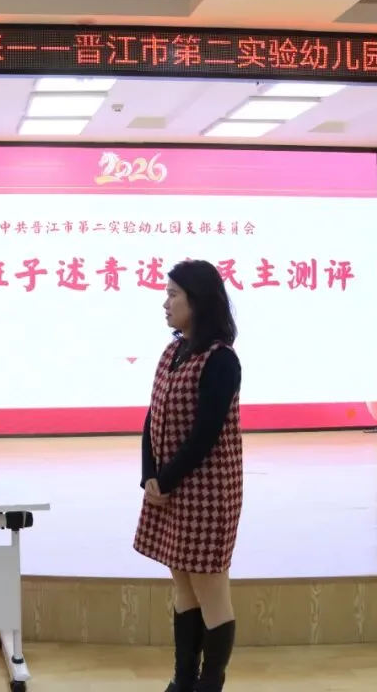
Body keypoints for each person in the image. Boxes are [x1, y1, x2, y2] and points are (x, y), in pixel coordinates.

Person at [133, 259, 243, 692]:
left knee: (211, 591)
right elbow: (153, 416)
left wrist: (166, 480)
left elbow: (205, 434)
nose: (165, 303)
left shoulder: (221, 360)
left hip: (208, 493)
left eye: (173, 295)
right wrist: (149, 475)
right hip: (171, 488)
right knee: (183, 586)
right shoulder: (172, 352)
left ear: (197, 301)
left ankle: (209, 685)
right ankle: (183, 680)